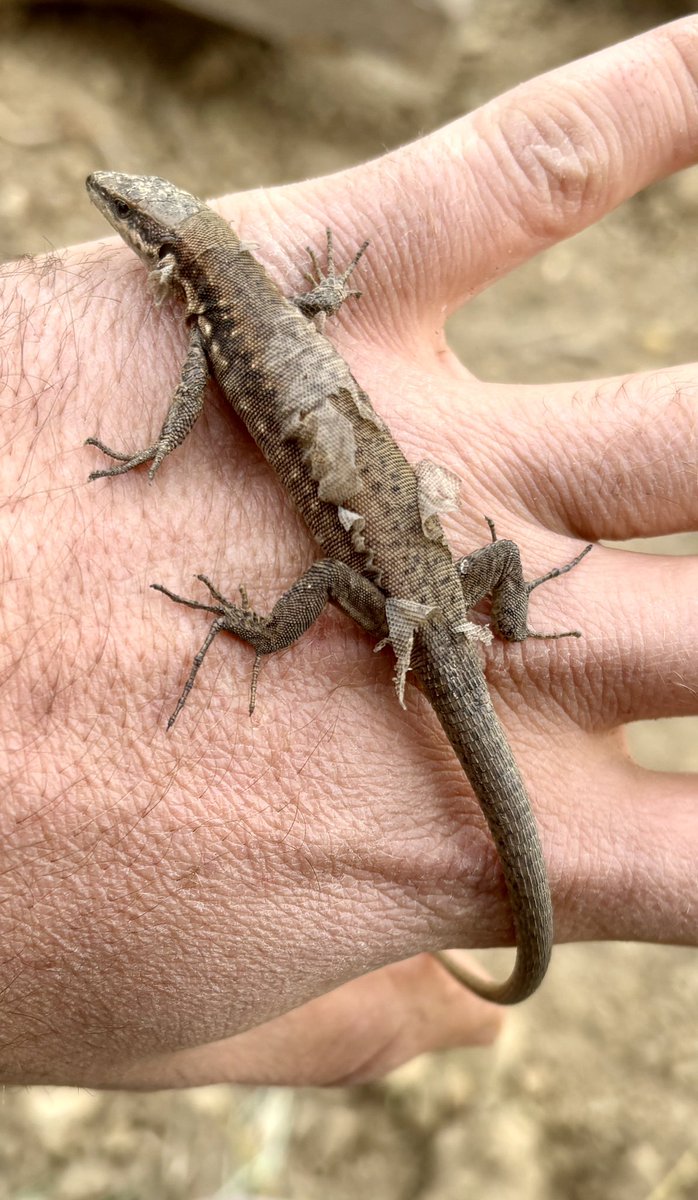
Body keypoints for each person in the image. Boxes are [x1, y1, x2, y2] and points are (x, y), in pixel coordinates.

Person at [1, 16, 696, 1089]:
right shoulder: (254, 299)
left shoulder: (208, 323)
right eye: (129, 208)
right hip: (440, 586)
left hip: (378, 586)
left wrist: (149, 459)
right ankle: (508, 619)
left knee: (328, 577)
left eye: (130, 215)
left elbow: (190, 413)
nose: (118, 211)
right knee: (493, 563)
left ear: (166, 251)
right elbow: (298, 323)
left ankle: (262, 634)